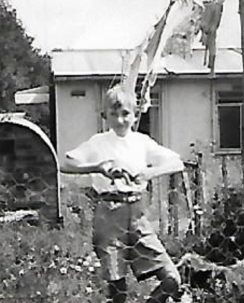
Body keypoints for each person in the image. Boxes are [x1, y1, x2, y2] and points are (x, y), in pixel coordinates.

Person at [59, 84, 184, 303]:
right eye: (113, 114)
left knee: (172, 278)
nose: (119, 120)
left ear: (135, 115)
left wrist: (148, 173)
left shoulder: (141, 142)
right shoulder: (98, 142)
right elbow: (66, 163)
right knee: (118, 290)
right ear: (104, 116)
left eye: (125, 114)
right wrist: (98, 167)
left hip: (137, 215)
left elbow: (177, 162)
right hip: (109, 213)